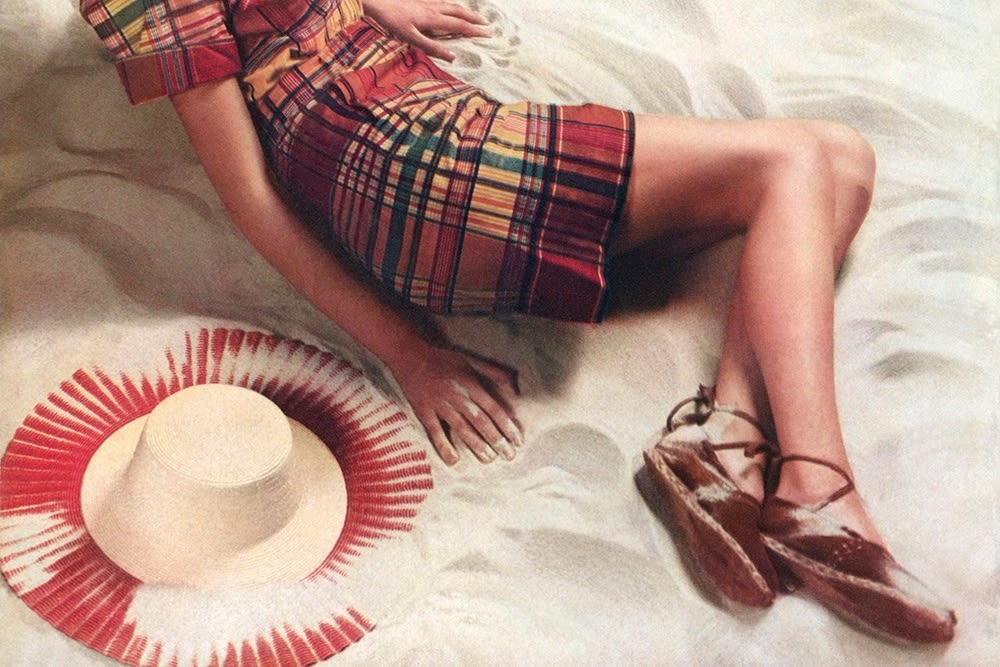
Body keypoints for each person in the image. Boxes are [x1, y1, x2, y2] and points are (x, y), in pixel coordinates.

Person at [80, 0, 956, 643]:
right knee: (799, 161)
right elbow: (252, 201)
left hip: (411, 127)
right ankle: (814, 484)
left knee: (843, 160)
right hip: (405, 162)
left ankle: (727, 437)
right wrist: (409, 354)